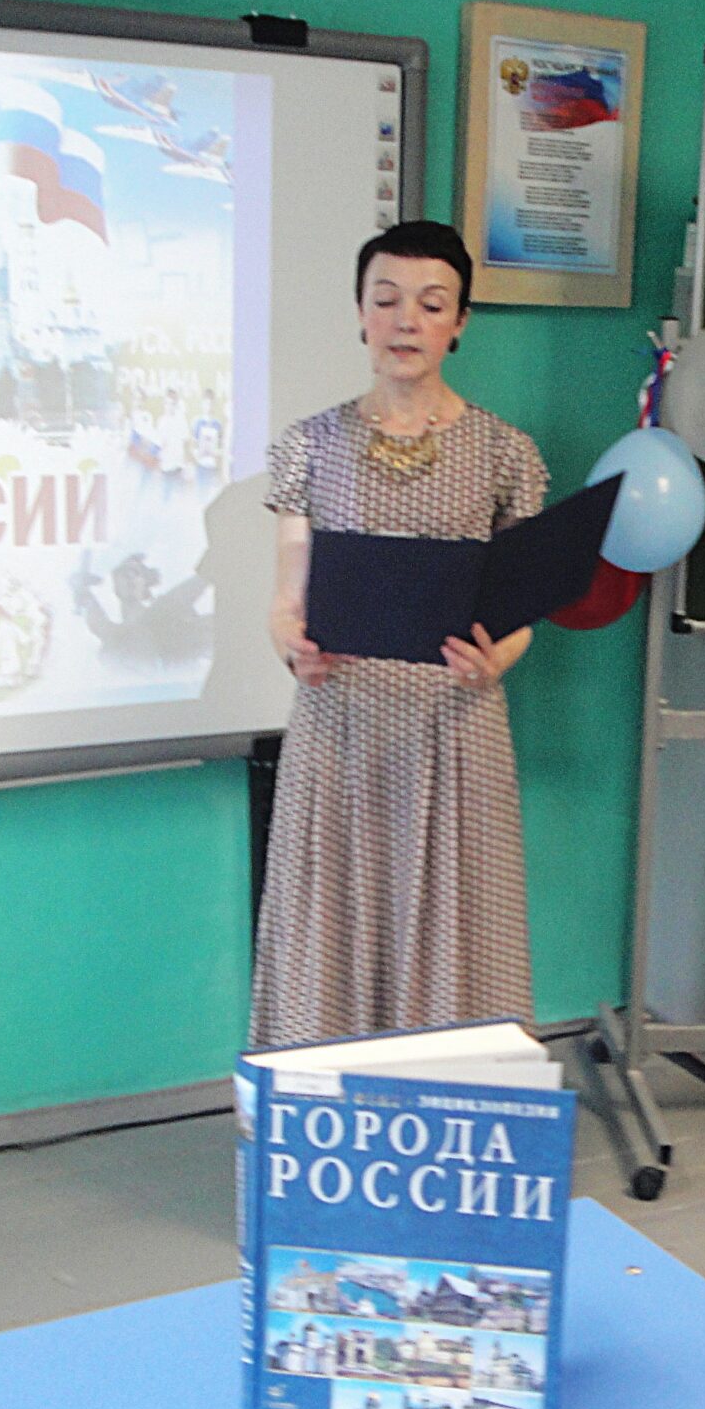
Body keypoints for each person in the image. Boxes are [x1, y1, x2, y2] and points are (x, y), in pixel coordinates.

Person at [252, 221, 548, 1045]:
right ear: (360, 313)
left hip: (455, 726)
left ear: (460, 323)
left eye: (431, 303)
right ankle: (331, 1096)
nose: (406, 320)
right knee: (329, 919)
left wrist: (495, 659)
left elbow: (519, 614)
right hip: (339, 725)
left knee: (462, 922)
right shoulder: (309, 446)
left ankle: (452, 1095)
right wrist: (293, 646)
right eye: (385, 300)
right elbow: (285, 601)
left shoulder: (506, 454)